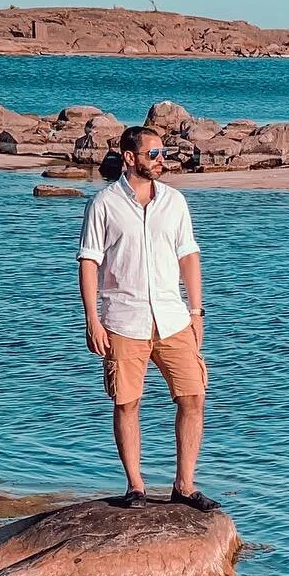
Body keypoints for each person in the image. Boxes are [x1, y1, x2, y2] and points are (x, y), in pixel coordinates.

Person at [77, 124, 217, 510]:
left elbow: (188, 256)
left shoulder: (174, 202)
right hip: (124, 318)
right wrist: (92, 318)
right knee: (126, 402)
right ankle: (135, 486)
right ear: (129, 157)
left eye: (163, 154)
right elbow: (89, 262)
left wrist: (196, 310)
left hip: (173, 318)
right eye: (153, 154)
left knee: (193, 397)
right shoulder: (103, 203)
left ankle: (184, 486)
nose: (162, 161)